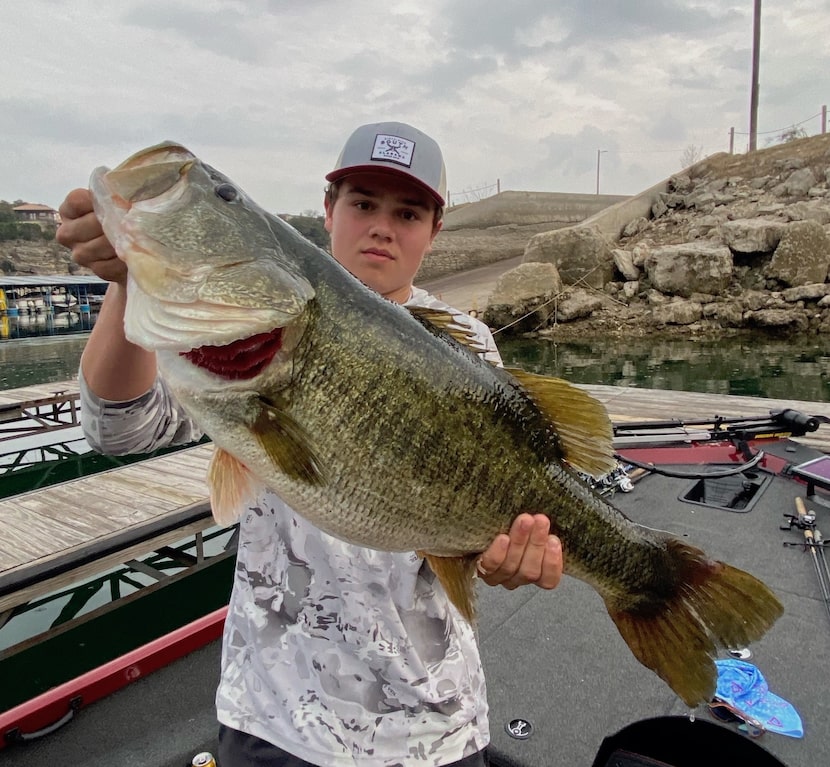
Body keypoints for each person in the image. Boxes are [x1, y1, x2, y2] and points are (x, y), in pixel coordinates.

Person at [58, 122, 564, 767]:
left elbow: (485, 527)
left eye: (407, 212)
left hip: (429, 723)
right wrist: (129, 280)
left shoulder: (465, 347)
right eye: (362, 204)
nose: (381, 226)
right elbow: (121, 429)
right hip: (274, 713)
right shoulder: (232, 341)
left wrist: (499, 559)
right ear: (327, 212)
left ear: (434, 231)